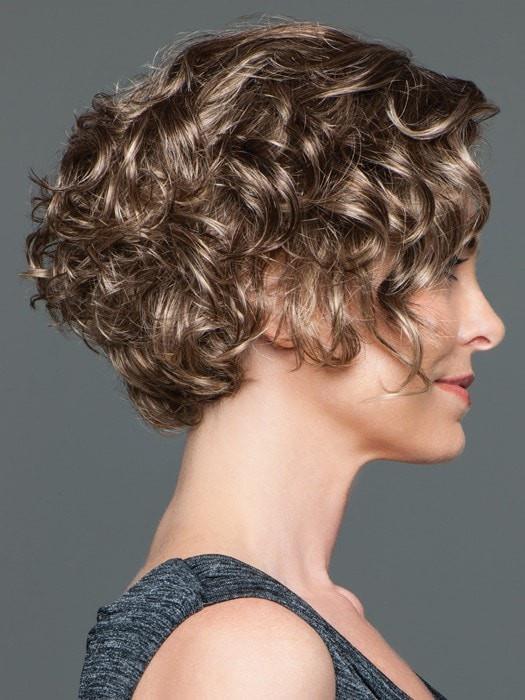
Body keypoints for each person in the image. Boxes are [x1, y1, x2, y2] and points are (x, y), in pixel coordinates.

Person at [22, 16, 506, 700]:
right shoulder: (248, 653)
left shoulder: (300, 623)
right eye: (441, 269)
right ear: (277, 290)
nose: (488, 326)